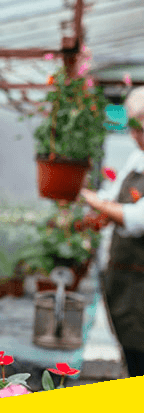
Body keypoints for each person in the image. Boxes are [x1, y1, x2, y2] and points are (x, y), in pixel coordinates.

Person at [80, 85, 144, 377]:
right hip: (124, 281)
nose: (134, 135)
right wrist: (102, 211)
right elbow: (116, 198)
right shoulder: (136, 158)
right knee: (131, 355)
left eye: (139, 127)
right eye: (132, 127)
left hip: (139, 287)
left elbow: (136, 219)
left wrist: (93, 200)